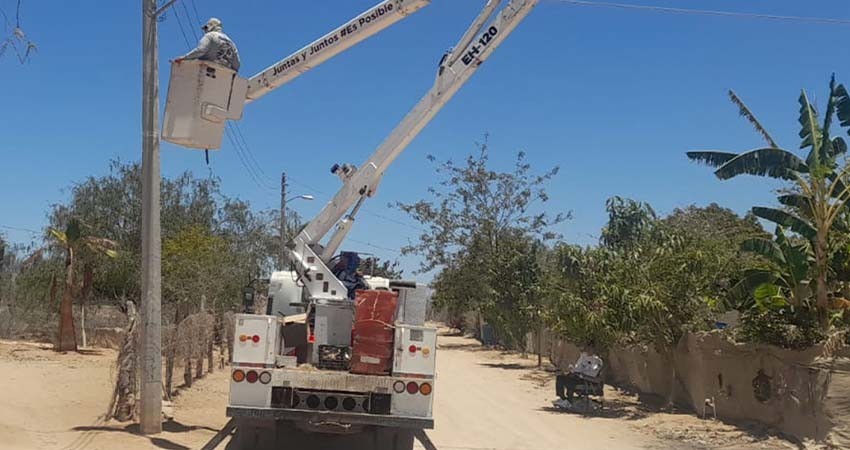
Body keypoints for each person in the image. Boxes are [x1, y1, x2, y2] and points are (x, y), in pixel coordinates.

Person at [174, 17, 241, 72]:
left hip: (207, 72)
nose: (205, 31)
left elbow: (200, 50)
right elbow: (237, 65)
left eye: (206, 28)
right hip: (224, 78)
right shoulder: (231, 43)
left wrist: (184, 58)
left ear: (211, 26)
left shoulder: (210, 35)